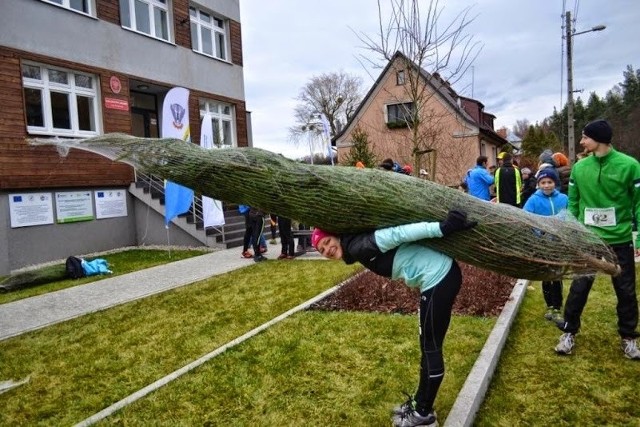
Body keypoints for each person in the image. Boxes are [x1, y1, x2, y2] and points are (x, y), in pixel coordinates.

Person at [311, 210, 478, 427]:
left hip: (438, 278)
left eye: (326, 242)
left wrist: (441, 228)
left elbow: (398, 234)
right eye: (322, 250)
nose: (327, 250)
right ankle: (420, 403)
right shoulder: (355, 247)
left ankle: (423, 416)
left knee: (431, 348)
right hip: (438, 278)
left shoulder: (358, 246)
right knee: (427, 346)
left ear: (334, 235)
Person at [555, 119, 640, 359]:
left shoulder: (630, 166)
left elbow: (638, 203)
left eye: (585, 137)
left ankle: (628, 337)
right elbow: (573, 202)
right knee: (579, 286)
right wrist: (573, 228)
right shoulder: (580, 169)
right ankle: (569, 331)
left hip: (620, 238)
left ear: (599, 139)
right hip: (588, 239)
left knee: (625, 289)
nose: (581, 141)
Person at [523, 168, 568, 322]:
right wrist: (538, 233)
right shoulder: (533, 200)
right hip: (542, 243)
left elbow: (569, 217)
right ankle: (549, 305)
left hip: (558, 243)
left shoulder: (563, 199)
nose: (547, 185)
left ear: (555, 183)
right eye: (543, 182)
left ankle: (557, 307)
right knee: (545, 276)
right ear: (538, 184)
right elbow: (527, 217)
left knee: (556, 275)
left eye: (550, 182)